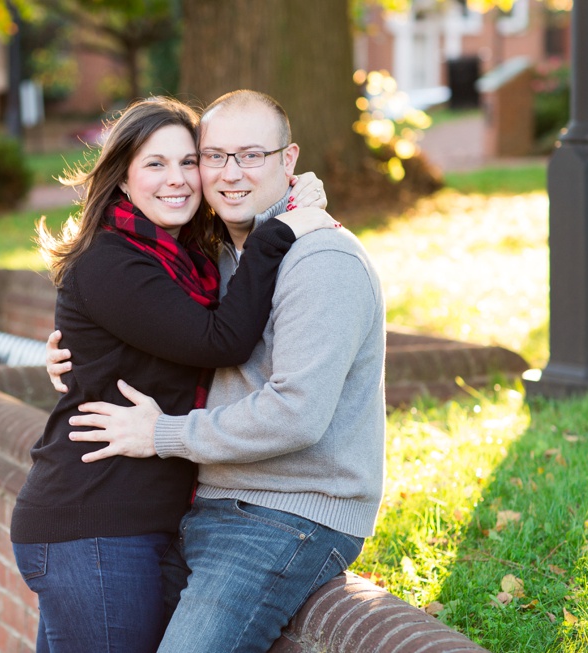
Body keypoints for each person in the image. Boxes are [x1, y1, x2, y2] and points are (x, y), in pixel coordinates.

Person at [53, 90, 387, 653]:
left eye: (251, 155)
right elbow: (132, 300)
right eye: (214, 156)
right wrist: (74, 347)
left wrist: (162, 434)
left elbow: (297, 414)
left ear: (288, 160)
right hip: (207, 506)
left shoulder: (322, 262)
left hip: (285, 515)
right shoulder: (220, 252)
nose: (230, 174)